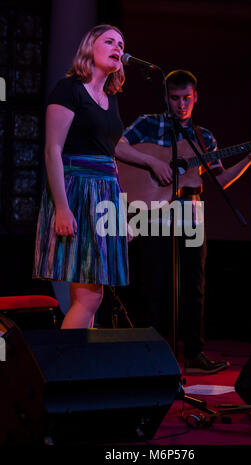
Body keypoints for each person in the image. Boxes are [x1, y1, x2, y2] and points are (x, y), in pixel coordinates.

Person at [115, 69, 251, 373]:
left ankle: (194, 354)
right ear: (166, 98)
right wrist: (154, 162)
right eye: (174, 98)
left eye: (186, 98)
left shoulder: (203, 137)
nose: (181, 105)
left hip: (191, 212)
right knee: (154, 283)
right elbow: (117, 147)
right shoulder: (148, 124)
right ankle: (153, 353)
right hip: (153, 212)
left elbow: (220, 179)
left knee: (194, 284)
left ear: (195, 97)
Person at [33, 24, 167, 330]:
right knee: (90, 295)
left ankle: (78, 370)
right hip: (77, 191)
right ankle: (64, 368)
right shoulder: (69, 90)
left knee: (91, 294)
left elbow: (109, 157)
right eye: (109, 41)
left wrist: (119, 212)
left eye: (121, 43)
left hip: (105, 192)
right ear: (89, 46)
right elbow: (52, 150)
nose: (118, 47)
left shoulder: (109, 98)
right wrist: (62, 208)